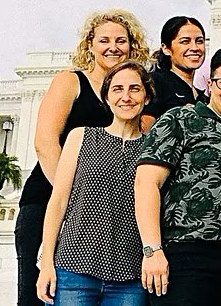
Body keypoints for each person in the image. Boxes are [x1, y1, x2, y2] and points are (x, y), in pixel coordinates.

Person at [17, 9, 149, 306]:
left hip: (97, 211)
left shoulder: (129, 93)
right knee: (36, 297)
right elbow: (45, 143)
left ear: (132, 46)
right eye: (104, 40)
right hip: (48, 198)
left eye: (121, 40)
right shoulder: (70, 81)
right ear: (90, 44)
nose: (113, 47)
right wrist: (77, 201)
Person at [135, 47, 221, 305]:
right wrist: (152, 250)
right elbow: (147, 182)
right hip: (187, 255)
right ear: (211, 84)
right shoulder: (181, 119)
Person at [37, 62, 154, 306]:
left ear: (146, 96)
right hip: (74, 268)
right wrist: (47, 262)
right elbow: (58, 201)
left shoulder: (153, 147)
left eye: (134, 89)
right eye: (117, 89)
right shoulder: (81, 136)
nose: (126, 97)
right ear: (107, 98)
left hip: (130, 274)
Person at [143, 16, 207, 131]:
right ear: (166, 48)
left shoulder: (202, 97)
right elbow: (145, 133)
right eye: (185, 41)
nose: (194, 47)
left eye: (199, 41)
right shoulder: (155, 83)